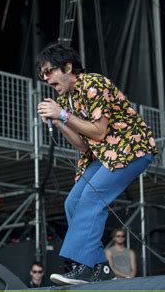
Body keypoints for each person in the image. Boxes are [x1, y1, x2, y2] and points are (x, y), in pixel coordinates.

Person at [36, 42, 157, 285]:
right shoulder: (68, 99)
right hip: (103, 154)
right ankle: (98, 267)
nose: (45, 78)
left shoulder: (93, 83)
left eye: (49, 71)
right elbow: (82, 145)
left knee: (91, 198)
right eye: (42, 74)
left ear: (68, 67)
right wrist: (60, 122)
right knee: (72, 202)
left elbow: (100, 133)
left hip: (129, 148)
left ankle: (86, 265)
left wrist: (62, 115)